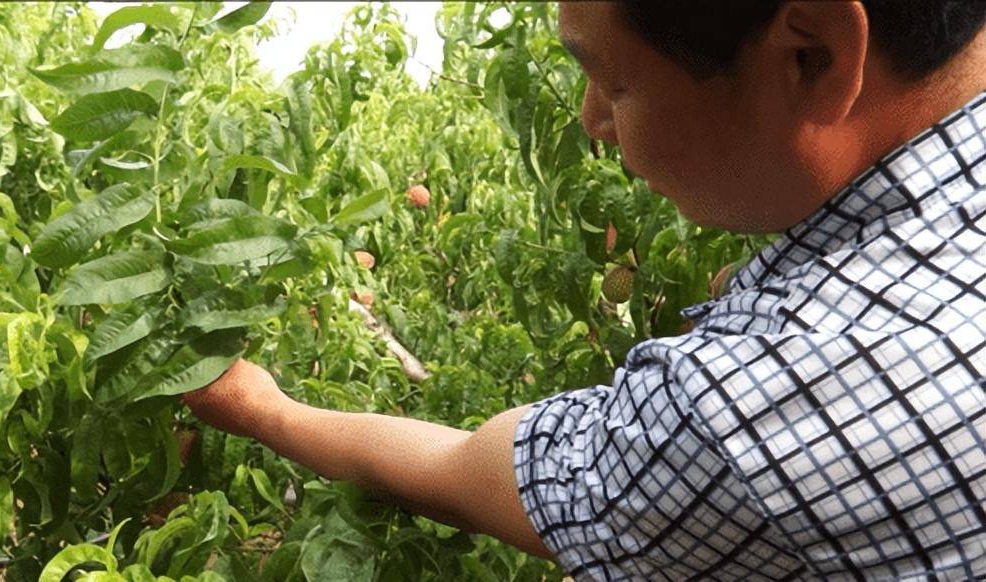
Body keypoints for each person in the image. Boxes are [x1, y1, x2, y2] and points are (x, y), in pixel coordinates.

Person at [182, 1, 986, 579]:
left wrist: (265, 410)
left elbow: (480, 474)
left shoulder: (758, 408)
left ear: (810, 53)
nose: (591, 118)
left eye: (614, 81)